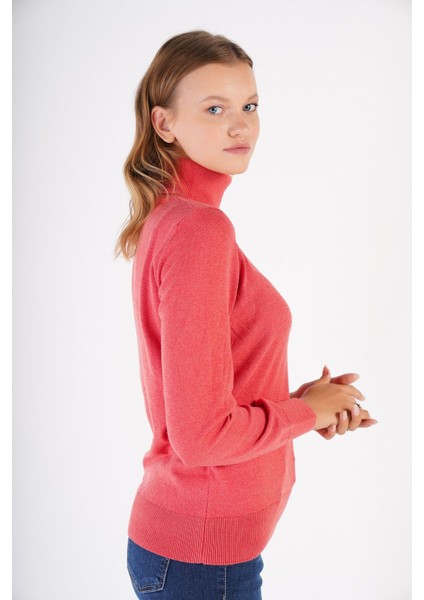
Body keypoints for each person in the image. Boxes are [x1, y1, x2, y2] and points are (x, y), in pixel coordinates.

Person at [114, 30, 378, 600]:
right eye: (215, 109)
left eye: (250, 106)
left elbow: (207, 401)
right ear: (165, 123)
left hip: (197, 554)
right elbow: (201, 437)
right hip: (202, 560)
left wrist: (304, 404)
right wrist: (303, 413)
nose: (241, 127)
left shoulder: (177, 218)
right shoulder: (198, 230)